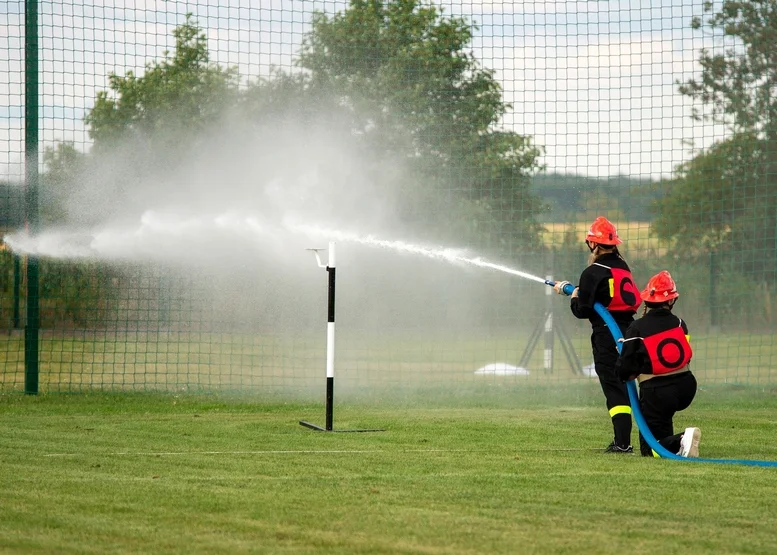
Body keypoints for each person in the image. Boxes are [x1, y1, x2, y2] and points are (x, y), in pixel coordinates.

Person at [554, 216, 641, 454]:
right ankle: (644, 439)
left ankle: (623, 443)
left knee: (614, 386)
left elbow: (583, 310)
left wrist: (573, 296)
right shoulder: (623, 267)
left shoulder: (593, 271)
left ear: (594, 244)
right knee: (630, 385)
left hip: (607, 334)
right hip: (630, 331)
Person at [615, 270, 701, 458]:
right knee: (661, 428)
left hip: (657, 393)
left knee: (649, 450)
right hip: (686, 386)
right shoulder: (679, 323)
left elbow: (624, 370)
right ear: (671, 300)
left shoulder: (637, 327)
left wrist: (625, 352)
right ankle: (679, 444)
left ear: (647, 300)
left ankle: (682, 439)